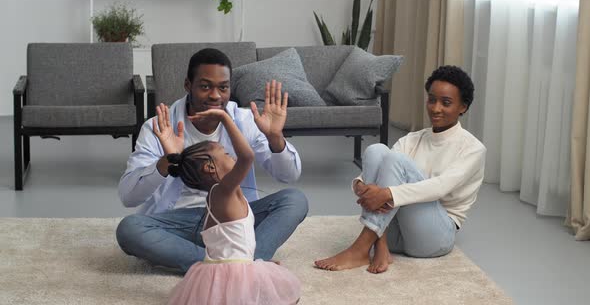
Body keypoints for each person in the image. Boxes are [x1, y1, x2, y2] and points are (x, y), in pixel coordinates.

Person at [116, 48, 308, 273]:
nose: (216, 95)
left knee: (294, 200)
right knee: (129, 229)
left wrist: (275, 137)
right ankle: (238, 266)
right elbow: (128, 197)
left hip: (231, 219)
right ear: (188, 85)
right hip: (177, 222)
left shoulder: (245, 120)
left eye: (223, 87)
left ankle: (235, 263)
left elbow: (289, 175)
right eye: (205, 86)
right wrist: (167, 161)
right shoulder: (159, 127)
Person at [315, 65, 486, 274]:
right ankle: (380, 245)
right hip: (395, 232)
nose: (436, 108)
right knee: (377, 150)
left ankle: (360, 248)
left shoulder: (473, 149)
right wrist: (360, 184)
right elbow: (380, 172)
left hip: (433, 237)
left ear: (463, 107)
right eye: (432, 99)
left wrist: (386, 193)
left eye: (446, 103)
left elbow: (440, 187)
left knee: (394, 159)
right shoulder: (413, 139)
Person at [165, 108, 300, 305]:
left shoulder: (223, 192)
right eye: (226, 154)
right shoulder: (222, 191)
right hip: (231, 273)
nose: (233, 157)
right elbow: (247, 156)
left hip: (233, 265)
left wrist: (253, 265)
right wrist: (225, 118)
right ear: (210, 167)